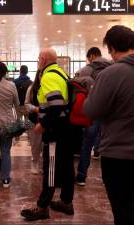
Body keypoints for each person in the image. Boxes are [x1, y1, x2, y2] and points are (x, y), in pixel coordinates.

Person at [84, 25, 134, 225]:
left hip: (119, 155)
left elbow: (91, 110)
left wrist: (91, 92)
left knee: (124, 210)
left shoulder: (112, 73)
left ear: (112, 48)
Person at [21, 48, 74, 221]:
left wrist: (43, 124)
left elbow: (56, 104)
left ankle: (42, 206)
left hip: (54, 131)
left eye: (38, 59)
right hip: (66, 128)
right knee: (66, 165)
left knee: (50, 168)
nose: (37, 62)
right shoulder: (61, 73)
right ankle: (66, 202)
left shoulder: (49, 76)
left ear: (43, 59)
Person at [75, 47, 112, 186]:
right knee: (109, 145)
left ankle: (81, 177)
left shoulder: (85, 70)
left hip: (92, 112)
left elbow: (75, 86)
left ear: (91, 56)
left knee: (87, 144)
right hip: (110, 113)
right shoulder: (113, 67)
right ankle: (108, 179)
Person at [25, 70, 42, 175]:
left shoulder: (50, 87)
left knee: (46, 145)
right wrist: (35, 109)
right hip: (33, 120)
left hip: (47, 121)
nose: (42, 76)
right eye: (40, 74)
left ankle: (46, 165)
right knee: (35, 144)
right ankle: (34, 163)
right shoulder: (31, 88)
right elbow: (26, 104)